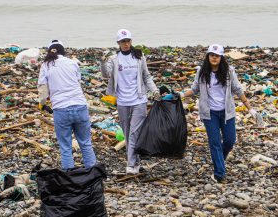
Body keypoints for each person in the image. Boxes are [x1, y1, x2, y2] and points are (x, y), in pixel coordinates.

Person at [180, 44, 262, 183]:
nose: (214, 58)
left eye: (217, 56)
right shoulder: (201, 72)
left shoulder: (229, 71)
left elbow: (238, 90)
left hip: (227, 112)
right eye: (212, 55)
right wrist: (180, 95)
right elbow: (194, 89)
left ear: (221, 57)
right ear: (208, 56)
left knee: (230, 141)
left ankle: (219, 162)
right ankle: (219, 174)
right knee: (215, 142)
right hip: (209, 113)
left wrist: (250, 109)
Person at [101, 29, 160, 174]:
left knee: (134, 132)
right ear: (118, 43)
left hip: (139, 99)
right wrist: (102, 63)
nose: (126, 44)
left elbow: (146, 76)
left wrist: (154, 90)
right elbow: (105, 74)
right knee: (127, 133)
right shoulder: (114, 59)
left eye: (128, 41)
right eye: (123, 41)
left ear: (131, 42)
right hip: (122, 101)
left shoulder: (139, 57)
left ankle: (130, 164)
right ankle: (136, 163)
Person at [38, 39, 97, 170]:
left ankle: (69, 178)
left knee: (66, 147)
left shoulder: (46, 65)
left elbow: (43, 89)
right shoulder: (72, 63)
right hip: (80, 106)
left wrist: (42, 104)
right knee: (86, 143)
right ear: (63, 51)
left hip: (61, 109)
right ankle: (94, 175)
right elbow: (77, 81)